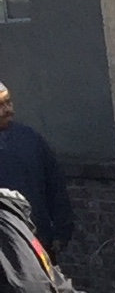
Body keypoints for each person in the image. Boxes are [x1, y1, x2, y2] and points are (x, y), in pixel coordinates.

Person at [0, 83, 72, 252]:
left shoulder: (29, 139)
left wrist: (62, 230)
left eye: (8, 102)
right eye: (0, 105)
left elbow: (55, 185)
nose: (8, 109)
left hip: (35, 239)